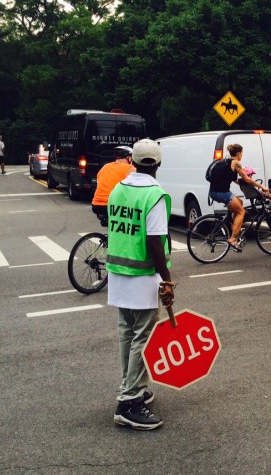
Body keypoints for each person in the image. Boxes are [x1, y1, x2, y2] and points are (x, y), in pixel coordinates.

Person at [106, 138, 174, 431]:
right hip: (143, 276)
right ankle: (129, 401)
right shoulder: (155, 194)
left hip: (118, 273)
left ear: (132, 161)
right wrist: (166, 280)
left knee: (127, 333)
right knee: (143, 338)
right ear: (158, 164)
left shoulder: (118, 189)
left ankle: (134, 387)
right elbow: (154, 241)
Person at [208, 143, 271, 251]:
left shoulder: (225, 161)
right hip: (222, 193)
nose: (242, 155)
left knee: (239, 202)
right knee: (241, 212)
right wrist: (262, 187)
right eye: (242, 153)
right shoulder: (236, 162)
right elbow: (247, 179)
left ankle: (234, 230)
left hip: (213, 192)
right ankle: (233, 239)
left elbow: (235, 180)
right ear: (238, 153)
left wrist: (245, 185)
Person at [91, 146, 135, 223]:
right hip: (113, 206)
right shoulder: (130, 168)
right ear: (129, 157)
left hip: (96, 205)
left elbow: (99, 182)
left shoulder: (105, 167)